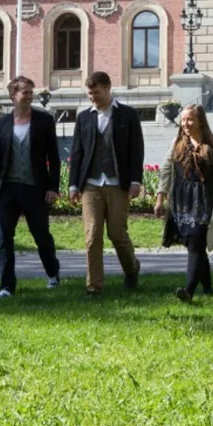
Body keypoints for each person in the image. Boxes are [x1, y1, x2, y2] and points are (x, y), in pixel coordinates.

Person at [155, 104, 213, 302]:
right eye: (183, 120)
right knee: (194, 245)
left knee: (196, 242)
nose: (185, 124)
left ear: (200, 122)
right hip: (182, 201)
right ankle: (208, 289)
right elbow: (166, 170)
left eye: (190, 120)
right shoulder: (177, 143)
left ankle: (188, 291)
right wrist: (160, 197)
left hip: (205, 201)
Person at [69, 71, 144, 296]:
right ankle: (94, 286)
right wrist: (73, 185)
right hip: (91, 184)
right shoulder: (83, 118)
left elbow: (136, 150)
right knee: (92, 235)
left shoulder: (128, 115)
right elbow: (77, 152)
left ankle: (131, 269)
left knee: (117, 233)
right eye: (90, 93)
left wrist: (135, 180)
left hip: (117, 183)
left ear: (108, 88)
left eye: (97, 93)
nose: (93, 97)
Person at [0, 76, 61, 299]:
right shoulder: (2, 124)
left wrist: (53, 187)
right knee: (4, 239)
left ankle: (53, 273)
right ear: (13, 96)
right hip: (7, 190)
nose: (29, 96)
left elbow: (54, 158)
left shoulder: (44, 120)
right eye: (25, 92)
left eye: (31, 92)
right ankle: (6, 287)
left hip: (35, 188)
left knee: (41, 236)